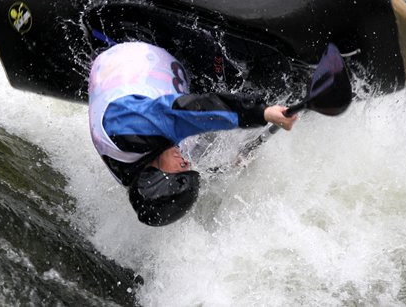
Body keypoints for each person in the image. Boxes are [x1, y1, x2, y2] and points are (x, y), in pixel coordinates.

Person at [88, 42, 298, 226]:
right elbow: (189, 163)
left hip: (142, 53)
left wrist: (262, 112)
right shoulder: (136, 174)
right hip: (122, 77)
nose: (186, 165)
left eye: (180, 170)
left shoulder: (134, 131)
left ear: (156, 174)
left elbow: (197, 110)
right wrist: (232, 163)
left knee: (244, 83)